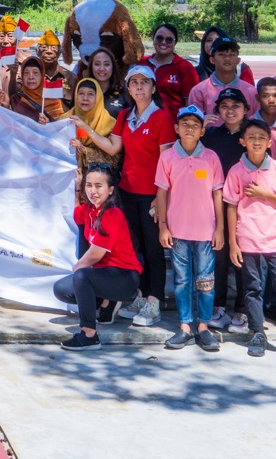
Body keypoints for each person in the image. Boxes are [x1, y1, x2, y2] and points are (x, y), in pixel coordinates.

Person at [223, 119, 276, 361]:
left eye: (261, 137)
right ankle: (257, 333)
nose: (256, 141)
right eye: (251, 137)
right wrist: (233, 242)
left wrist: (265, 194)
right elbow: (230, 207)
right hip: (247, 240)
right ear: (242, 142)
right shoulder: (237, 171)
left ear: (270, 142)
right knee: (252, 289)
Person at [154, 106, 225, 351]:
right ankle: (185, 326)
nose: (190, 128)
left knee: (205, 280)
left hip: (206, 230)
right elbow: (161, 193)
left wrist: (220, 228)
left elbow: (217, 193)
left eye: (195, 125)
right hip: (177, 231)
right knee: (183, 280)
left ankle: (203, 326)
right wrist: (163, 226)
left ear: (203, 130)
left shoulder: (211, 158)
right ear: (176, 128)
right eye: (184, 124)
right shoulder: (167, 157)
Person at [113, 65, 176, 329]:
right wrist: (84, 132)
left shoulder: (161, 117)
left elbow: (167, 161)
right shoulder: (125, 116)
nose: (139, 87)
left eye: (144, 82)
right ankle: (140, 298)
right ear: (128, 88)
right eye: (134, 82)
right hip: (127, 193)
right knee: (137, 249)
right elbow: (114, 147)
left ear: (153, 87)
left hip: (152, 195)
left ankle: (155, 301)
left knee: (153, 251)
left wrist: (160, 197)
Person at [55, 164, 142, 350]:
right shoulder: (90, 210)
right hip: (104, 274)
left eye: (98, 186)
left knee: (81, 276)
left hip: (125, 277)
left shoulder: (113, 214)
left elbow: (95, 254)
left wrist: (77, 268)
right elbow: (76, 214)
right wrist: (78, 187)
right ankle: (106, 302)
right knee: (61, 289)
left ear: (110, 190)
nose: (92, 191)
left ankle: (89, 335)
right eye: (89, 185)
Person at [201, 87, 252, 331]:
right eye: (224, 106)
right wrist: (201, 128)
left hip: (247, 204)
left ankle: (242, 310)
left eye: (235, 106)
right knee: (219, 257)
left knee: (241, 256)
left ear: (246, 109)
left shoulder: (253, 133)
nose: (230, 111)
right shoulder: (211, 134)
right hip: (218, 204)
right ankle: (218, 306)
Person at [69, 79, 120, 191]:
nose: (85, 98)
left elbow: (113, 159)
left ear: (98, 98)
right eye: (81, 93)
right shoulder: (66, 120)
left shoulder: (110, 124)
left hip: (97, 188)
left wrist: (84, 150)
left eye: (90, 94)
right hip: (69, 184)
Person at [137, 23, 197, 114]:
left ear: (175, 43)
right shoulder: (141, 63)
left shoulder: (185, 67)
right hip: (143, 122)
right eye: (159, 38)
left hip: (172, 124)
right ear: (153, 40)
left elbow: (190, 103)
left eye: (169, 40)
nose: (163, 42)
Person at [187, 39, 257, 116]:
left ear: (238, 60)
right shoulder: (199, 91)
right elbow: (194, 122)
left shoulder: (251, 91)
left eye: (232, 54)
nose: (227, 58)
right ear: (212, 60)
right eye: (221, 54)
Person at [9, 56, 61, 123]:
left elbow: (60, 128)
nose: (31, 77)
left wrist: (48, 124)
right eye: (26, 73)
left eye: (35, 72)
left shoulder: (53, 101)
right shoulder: (16, 99)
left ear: (42, 76)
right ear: (22, 76)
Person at [85, 47, 128, 120]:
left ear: (113, 67)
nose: (102, 68)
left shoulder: (124, 92)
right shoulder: (82, 90)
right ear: (91, 66)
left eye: (106, 64)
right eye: (97, 64)